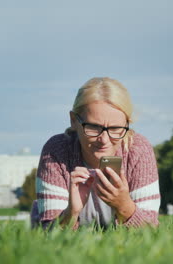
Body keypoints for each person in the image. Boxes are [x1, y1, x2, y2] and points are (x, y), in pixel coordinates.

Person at [31, 77, 160, 230]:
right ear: (74, 121)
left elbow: (151, 232)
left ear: (127, 124)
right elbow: (49, 233)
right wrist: (71, 213)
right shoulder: (57, 151)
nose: (104, 140)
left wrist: (125, 206)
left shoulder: (138, 150)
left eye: (115, 128)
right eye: (93, 127)